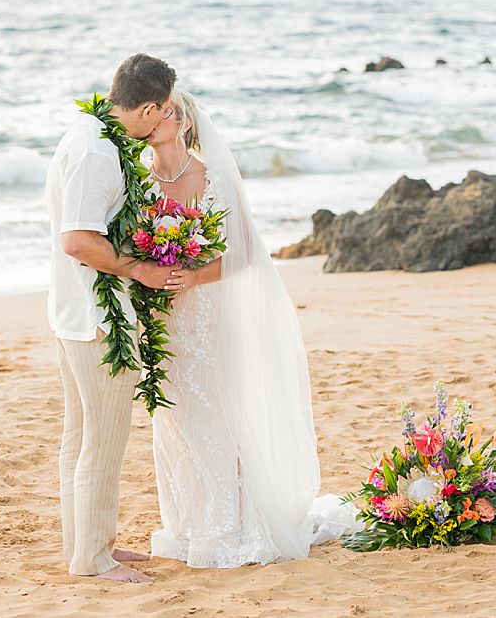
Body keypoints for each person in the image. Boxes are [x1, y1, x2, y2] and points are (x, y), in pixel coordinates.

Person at [142, 87, 358, 568]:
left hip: (210, 317)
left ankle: (228, 527)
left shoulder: (212, 177)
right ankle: (189, 525)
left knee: (217, 416)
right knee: (174, 420)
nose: (157, 121)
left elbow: (242, 252)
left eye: (167, 113)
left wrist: (192, 275)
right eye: (153, 113)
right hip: (161, 319)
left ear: (185, 122)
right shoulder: (138, 183)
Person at [45, 53, 175, 583]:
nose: (164, 119)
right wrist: (141, 269)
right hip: (96, 319)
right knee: (102, 439)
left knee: (80, 437)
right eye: (162, 111)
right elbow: (78, 240)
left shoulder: (87, 130)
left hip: (73, 312)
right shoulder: (99, 152)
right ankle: (91, 559)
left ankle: (87, 546)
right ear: (146, 108)